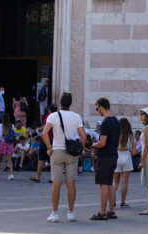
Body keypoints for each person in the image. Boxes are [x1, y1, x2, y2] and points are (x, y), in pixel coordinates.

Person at [43, 92, 86, 224]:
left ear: (61, 102)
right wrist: (81, 149)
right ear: (70, 103)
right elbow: (83, 136)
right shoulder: (76, 116)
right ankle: (71, 213)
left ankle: (55, 213)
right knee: (70, 183)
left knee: (56, 183)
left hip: (56, 150)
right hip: (72, 152)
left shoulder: (53, 116)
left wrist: (49, 147)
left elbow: (44, 133)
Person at [90, 97, 119, 220]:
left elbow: (102, 143)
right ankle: (111, 211)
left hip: (105, 156)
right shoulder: (116, 121)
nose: (98, 111)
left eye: (97, 109)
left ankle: (102, 212)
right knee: (110, 183)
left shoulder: (106, 122)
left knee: (103, 184)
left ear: (101, 107)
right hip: (113, 155)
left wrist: (93, 145)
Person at [113, 118, 137, 208]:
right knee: (124, 182)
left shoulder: (116, 134)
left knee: (115, 181)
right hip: (127, 155)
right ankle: (123, 202)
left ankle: (112, 201)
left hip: (117, 155)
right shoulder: (131, 135)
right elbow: (134, 152)